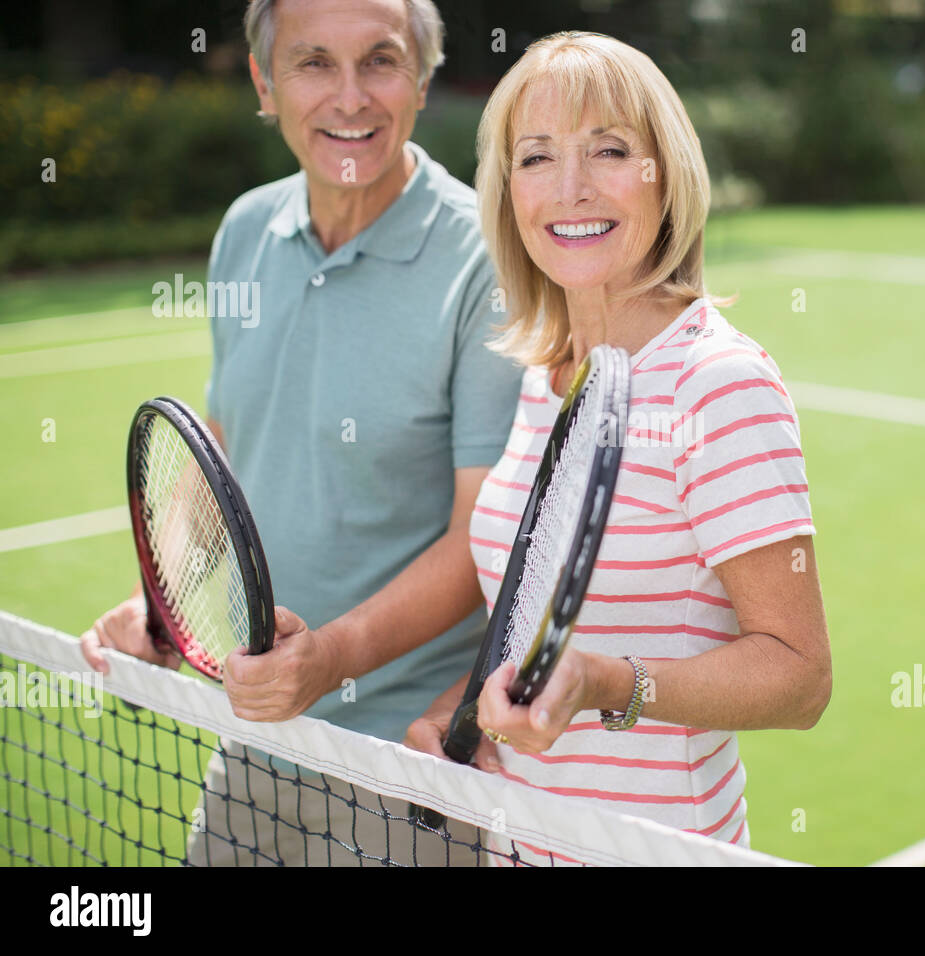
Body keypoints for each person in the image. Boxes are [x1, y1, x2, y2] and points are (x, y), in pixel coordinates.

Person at [79, 0, 521, 865]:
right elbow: (227, 441)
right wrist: (162, 608)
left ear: (422, 80)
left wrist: (327, 660)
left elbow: (482, 541)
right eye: (314, 62)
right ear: (263, 82)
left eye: (381, 61)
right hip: (257, 735)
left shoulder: (487, 260)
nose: (349, 98)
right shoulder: (245, 229)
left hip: (415, 767)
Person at [403, 31, 832, 864]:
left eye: (608, 150)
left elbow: (801, 675)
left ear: (663, 175)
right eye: (536, 158)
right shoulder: (547, 379)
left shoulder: (718, 382)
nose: (569, 189)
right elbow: (530, 627)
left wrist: (610, 684)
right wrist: (456, 710)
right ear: (508, 193)